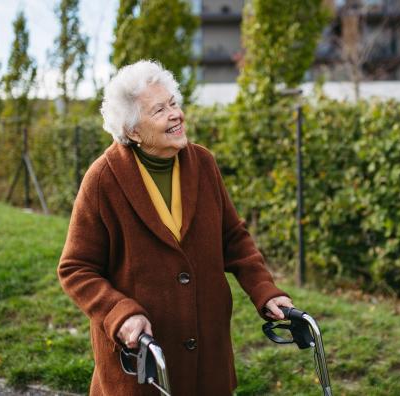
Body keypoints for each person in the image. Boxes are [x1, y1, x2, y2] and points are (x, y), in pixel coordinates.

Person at [58, 60, 293, 396]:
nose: (176, 114)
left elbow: (233, 238)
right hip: (144, 361)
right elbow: (75, 268)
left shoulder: (203, 163)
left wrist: (265, 290)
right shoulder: (103, 180)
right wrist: (120, 314)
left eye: (174, 103)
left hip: (208, 354)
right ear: (133, 130)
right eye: (160, 110)